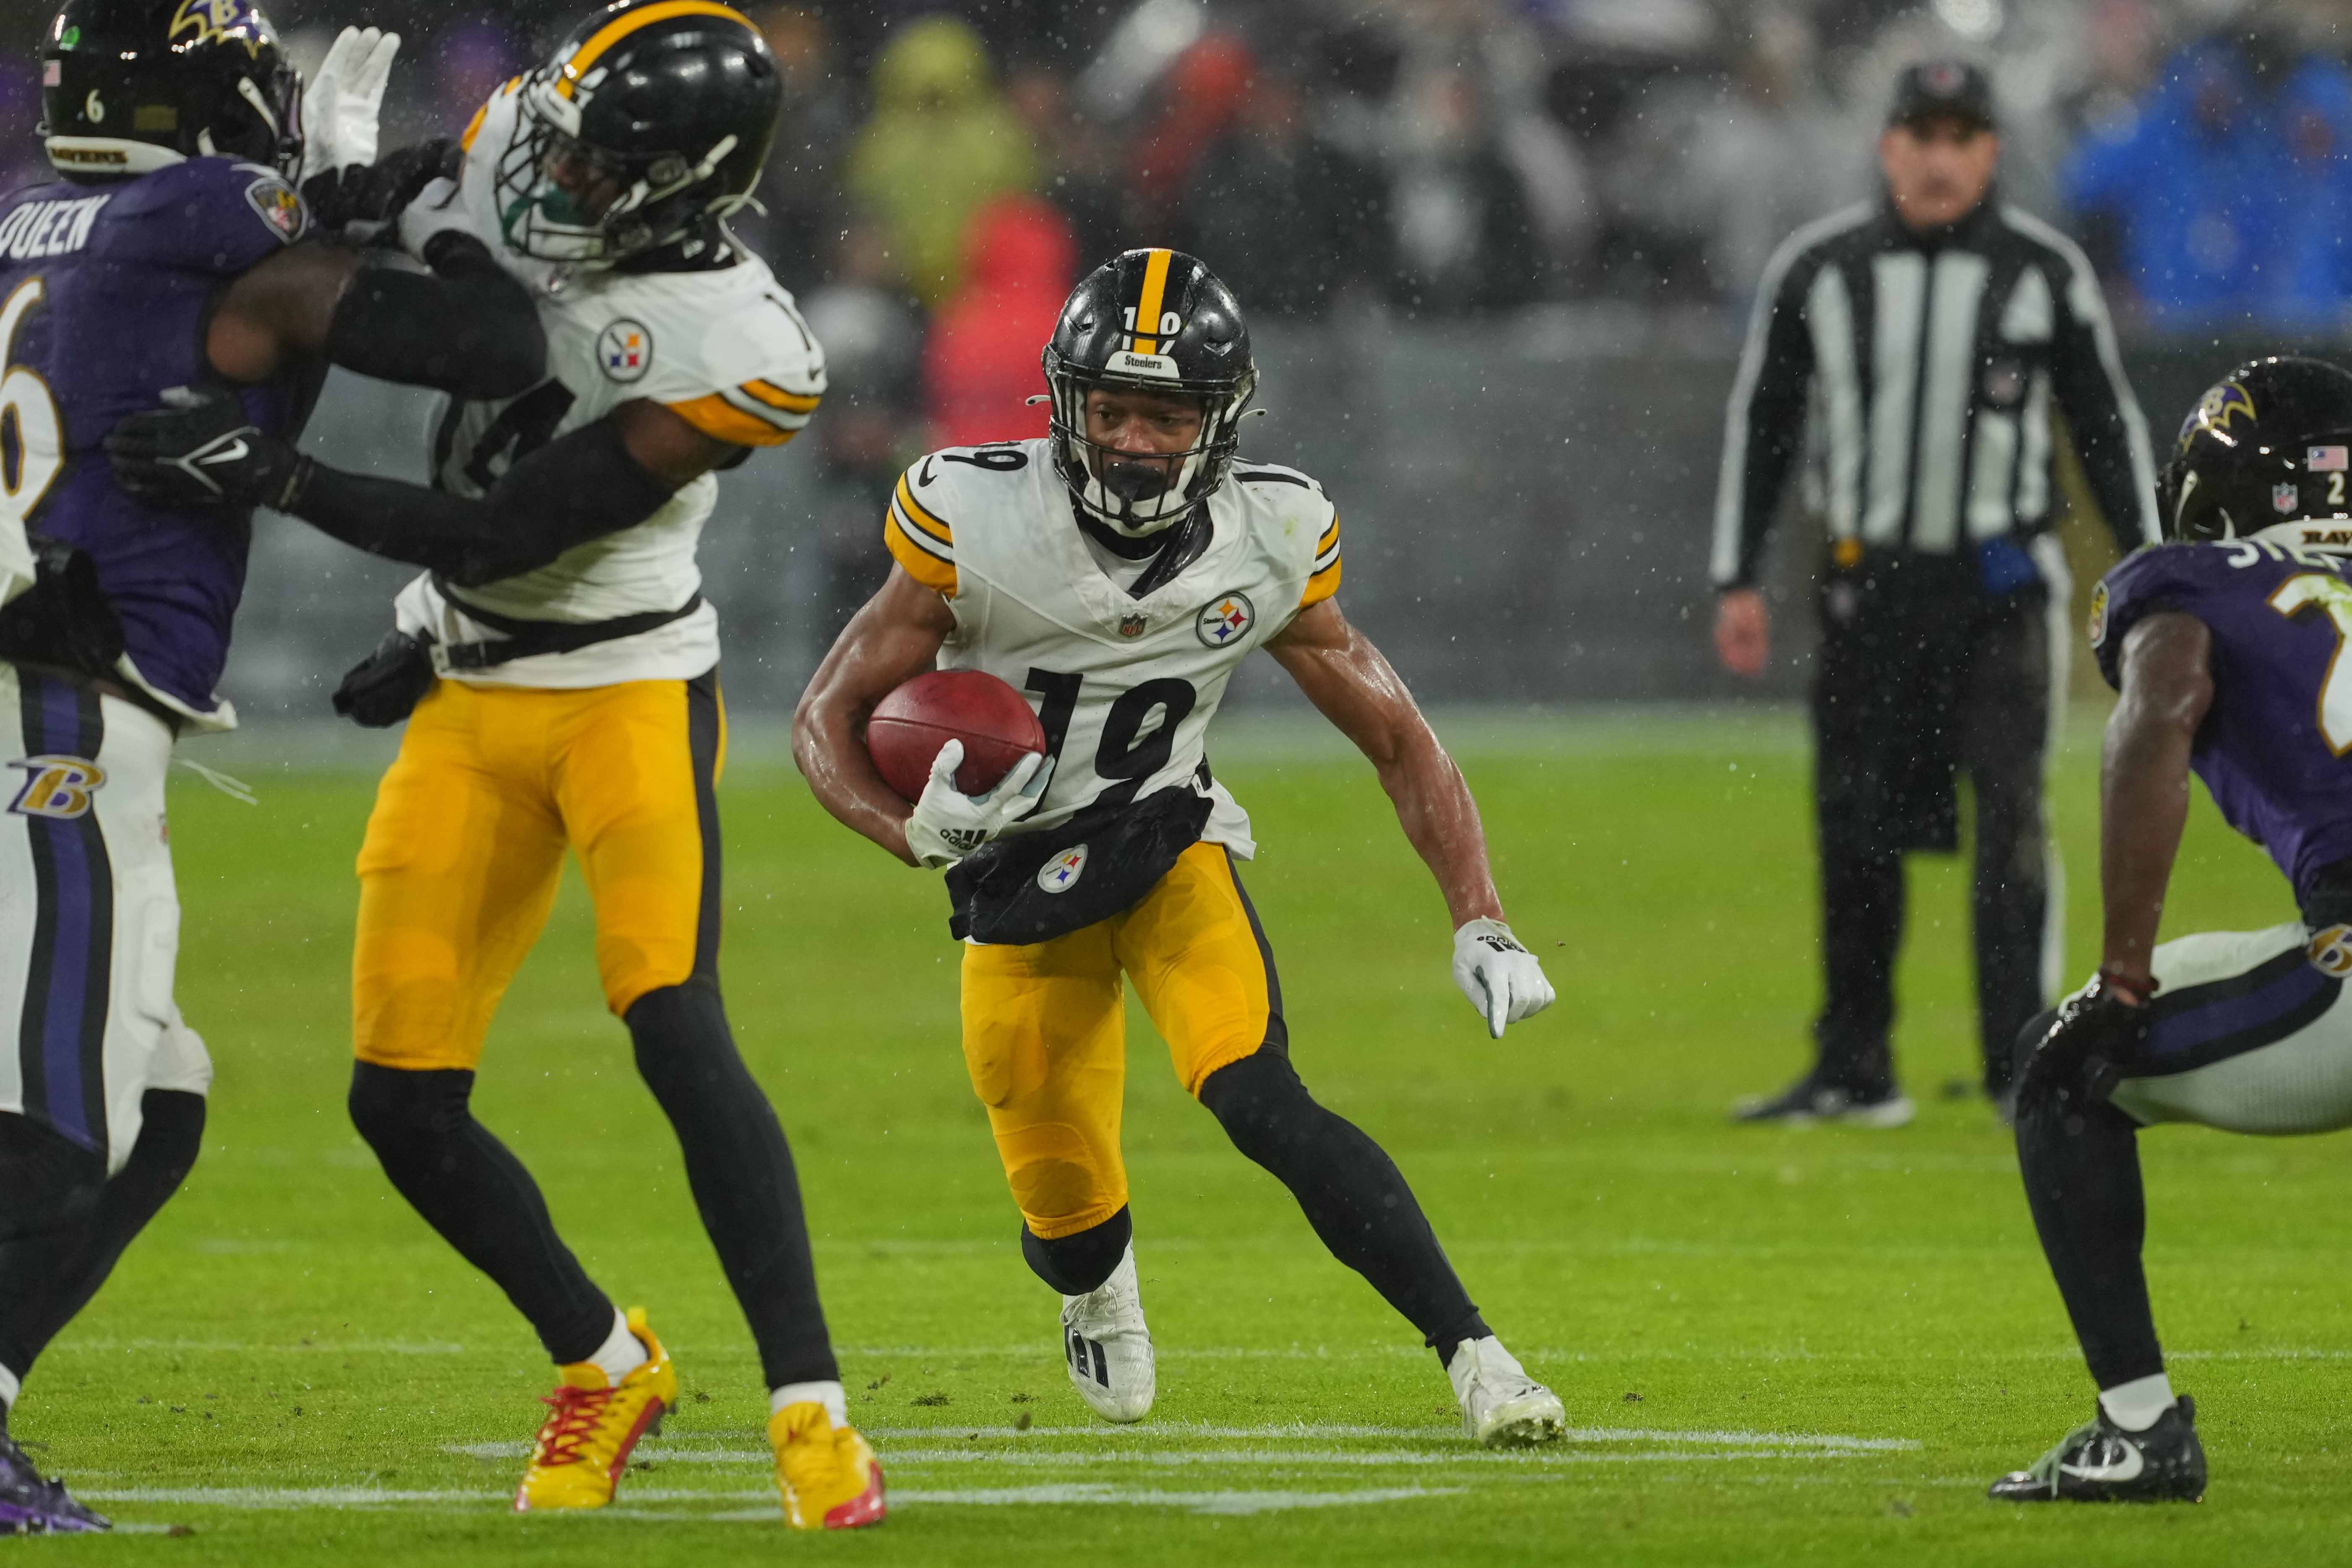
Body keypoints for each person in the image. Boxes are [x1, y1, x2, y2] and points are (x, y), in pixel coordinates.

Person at [105, 0, 882, 1532]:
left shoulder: (741, 348)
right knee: (398, 1103)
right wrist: (332, 184)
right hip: (472, 678)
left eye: (602, 172)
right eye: (564, 144)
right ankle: (605, 1362)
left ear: (685, 186)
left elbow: (511, 527)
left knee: (672, 1019)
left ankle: (813, 1411)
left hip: (622, 680)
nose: (552, 182)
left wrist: (279, 475)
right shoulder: (523, 135)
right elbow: (405, 224)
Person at [793, 248, 1566, 1446]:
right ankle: (1099, 1278)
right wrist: (908, 833)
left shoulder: (1271, 533)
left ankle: (1479, 1354)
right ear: (1066, 402)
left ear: (1221, 419)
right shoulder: (972, 513)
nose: (1139, 440)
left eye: (1167, 414)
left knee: (1263, 1099)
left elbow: (1400, 738)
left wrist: (1480, 910)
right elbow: (824, 721)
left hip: (1164, 840)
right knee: (1066, 1224)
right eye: (1114, 408)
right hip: (1010, 876)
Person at [0, 0, 551, 1534]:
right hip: (50, 714)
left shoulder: (35, 228)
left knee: (161, 1093)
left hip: (50, 690)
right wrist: (400, 212)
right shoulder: (199, 215)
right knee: (60, 1128)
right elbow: (490, 351)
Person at [1711, 60, 2158, 1125]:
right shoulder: (1819, 269)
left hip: (1998, 585)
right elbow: (1765, 424)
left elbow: (2103, 428)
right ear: (1887, 146)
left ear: (1990, 153)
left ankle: (2020, 1065)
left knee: (2008, 823)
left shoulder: (2041, 274)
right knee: (1853, 827)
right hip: (1867, 589)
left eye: (1961, 137)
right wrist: (1735, 573)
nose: (1939, 157)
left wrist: (2150, 571)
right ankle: (1854, 1066)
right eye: (1921, 134)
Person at [1992, 355, 2352, 1504]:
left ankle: (2137, 1425)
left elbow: (2157, 718)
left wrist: (2121, 973)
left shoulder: (2192, 585)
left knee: (2064, 1071)